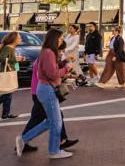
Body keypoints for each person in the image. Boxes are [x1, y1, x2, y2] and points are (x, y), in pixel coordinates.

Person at [16, 28, 74, 159]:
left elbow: (51, 69)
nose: (61, 40)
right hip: (47, 89)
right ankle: (54, 151)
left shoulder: (47, 52)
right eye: (60, 38)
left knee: (51, 121)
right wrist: (66, 68)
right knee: (56, 122)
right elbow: (52, 74)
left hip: (45, 89)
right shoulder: (49, 53)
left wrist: (64, 63)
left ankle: (24, 139)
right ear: (54, 39)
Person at [0, 32, 20, 119]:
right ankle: (6, 113)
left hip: (10, 72)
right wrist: (15, 59)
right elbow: (2, 58)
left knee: (8, 94)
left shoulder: (12, 48)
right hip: (6, 73)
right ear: (14, 39)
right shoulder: (8, 48)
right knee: (7, 94)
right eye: (19, 38)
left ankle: (6, 113)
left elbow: (14, 62)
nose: (20, 39)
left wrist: (17, 68)